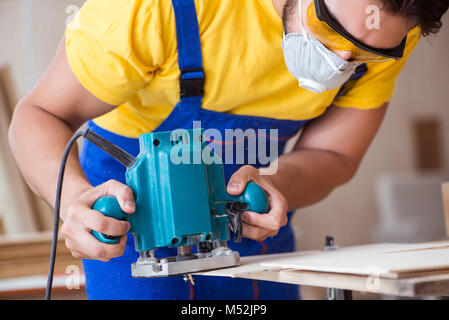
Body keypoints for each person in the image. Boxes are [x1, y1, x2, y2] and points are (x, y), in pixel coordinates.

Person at [9, 0, 449, 299]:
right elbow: (38, 114)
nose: (340, 60)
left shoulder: (389, 30)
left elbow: (336, 155)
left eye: (362, 56)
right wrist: (72, 201)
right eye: (326, 30)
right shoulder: (152, 9)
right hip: (132, 236)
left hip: (252, 235)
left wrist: (277, 185)